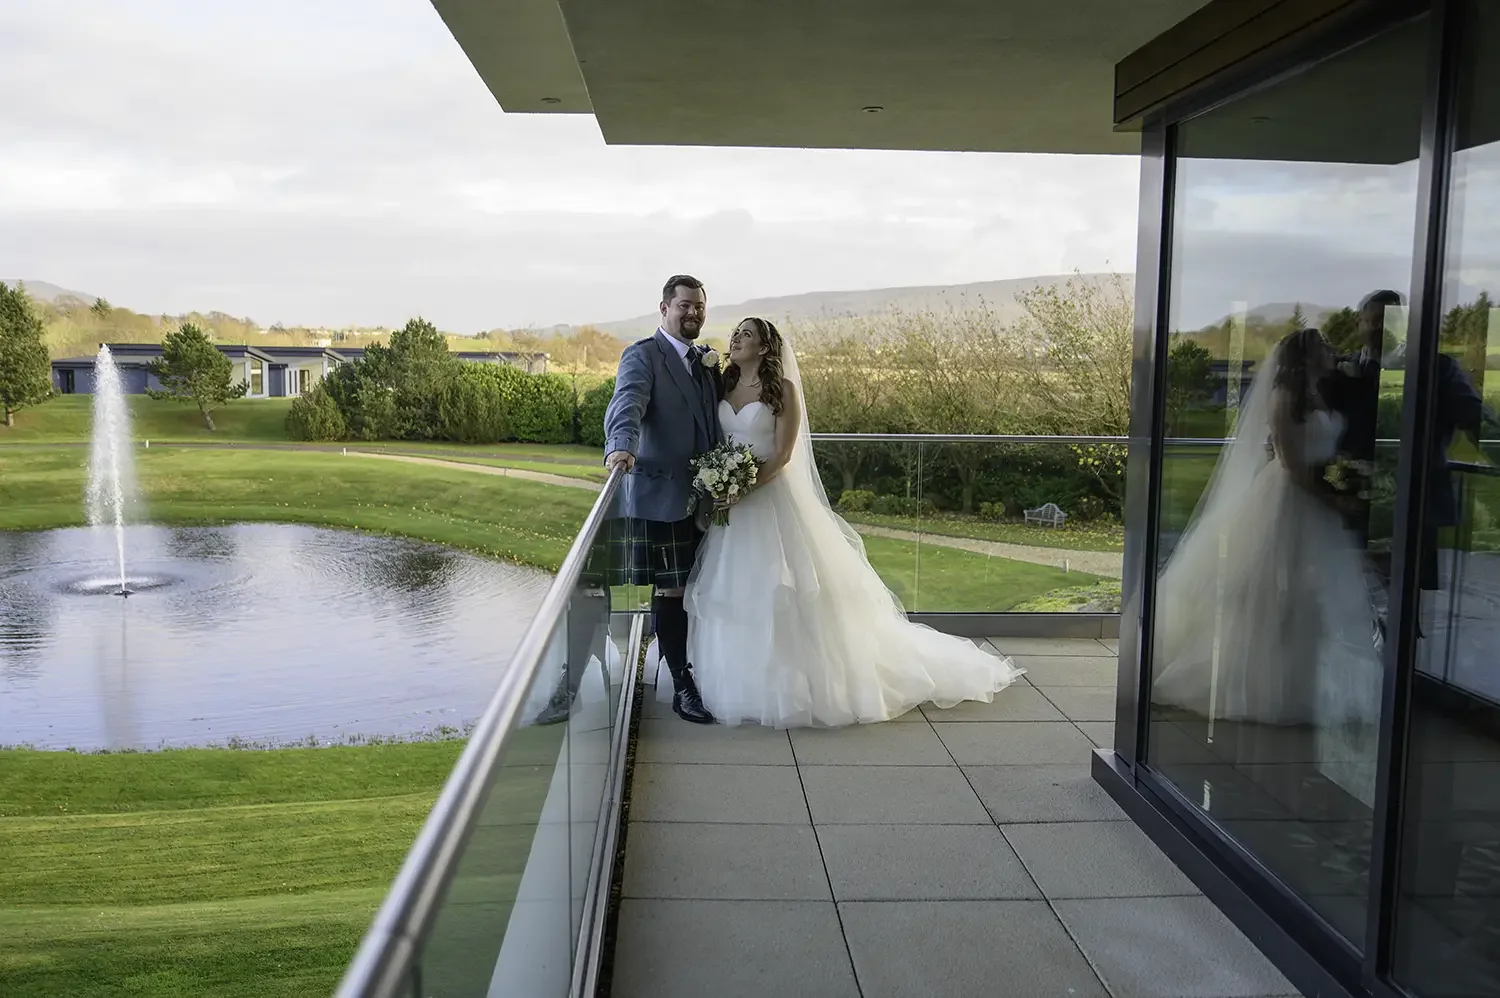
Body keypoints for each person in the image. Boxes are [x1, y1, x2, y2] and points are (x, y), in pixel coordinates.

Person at [683, 317, 1022, 728]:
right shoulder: (722, 384)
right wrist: (723, 485)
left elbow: (784, 455)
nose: (736, 339)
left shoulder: (782, 391)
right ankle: (739, 680)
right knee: (736, 592)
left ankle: (800, 685)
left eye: (747, 334)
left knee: (786, 591)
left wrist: (744, 487)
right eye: (736, 333)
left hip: (769, 498)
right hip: (732, 507)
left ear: (766, 347)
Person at [1151, 329, 1383, 802]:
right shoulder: (1286, 395)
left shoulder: (1325, 389)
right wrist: (1334, 498)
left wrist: (1343, 482)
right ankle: (1258, 686)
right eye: (1322, 346)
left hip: (1317, 501)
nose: (1331, 351)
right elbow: (1293, 463)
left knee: (1314, 600)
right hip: (1289, 501)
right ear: (1304, 355)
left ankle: (1304, 685)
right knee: (1269, 594)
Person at [602, 275, 722, 724]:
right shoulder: (642, 355)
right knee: (670, 591)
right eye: (684, 305)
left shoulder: (706, 363)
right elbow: (627, 403)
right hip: (660, 495)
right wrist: (621, 446)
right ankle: (681, 686)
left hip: (707, 499)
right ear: (664, 308)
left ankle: (698, 671)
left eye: (699, 306)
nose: (692, 313)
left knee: (697, 590)